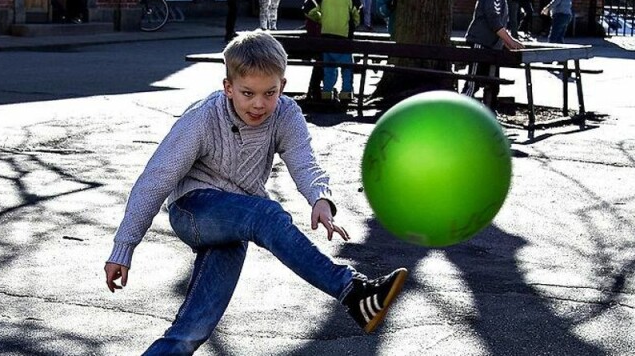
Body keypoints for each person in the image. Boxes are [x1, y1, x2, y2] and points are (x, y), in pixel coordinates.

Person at [104, 32, 408, 354]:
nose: (259, 104)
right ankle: (354, 291)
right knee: (266, 213)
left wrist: (319, 197)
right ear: (228, 87)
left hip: (237, 221)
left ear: (283, 86)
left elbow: (303, 160)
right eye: (247, 93)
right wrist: (123, 248)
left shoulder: (286, 114)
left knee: (194, 328)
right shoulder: (204, 117)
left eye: (270, 93)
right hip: (192, 210)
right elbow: (156, 180)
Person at [462, 0, 525, 110]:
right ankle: (459, 112)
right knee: (473, 82)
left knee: (492, 83)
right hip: (481, 44)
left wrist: (508, 42)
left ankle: (487, 113)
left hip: (492, 47)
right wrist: (510, 42)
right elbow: (494, 21)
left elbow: (498, 24)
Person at [303, 0, 362, 102]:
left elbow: (307, 7)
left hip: (326, 36)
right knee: (347, 68)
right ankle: (346, 92)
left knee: (329, 67)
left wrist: (320, 18)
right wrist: (353, 24)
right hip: (344, 37)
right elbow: (358, 14)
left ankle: (327, 92)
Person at [304, 0, 334, 100]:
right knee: (320, 60)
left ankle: (317, 88)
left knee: (325, 61)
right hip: (315, 32)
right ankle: (314, 89)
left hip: (326, 32)